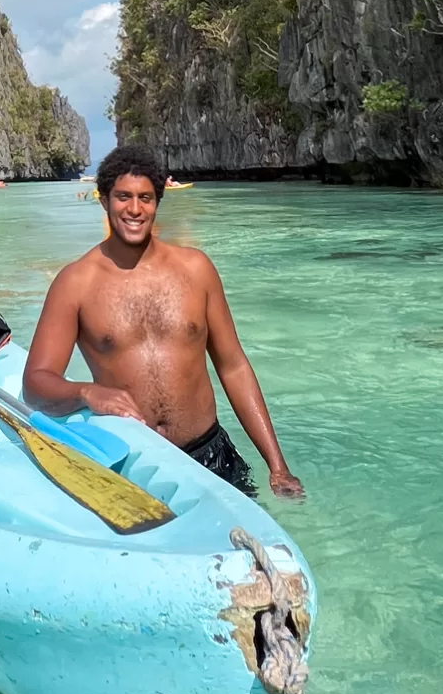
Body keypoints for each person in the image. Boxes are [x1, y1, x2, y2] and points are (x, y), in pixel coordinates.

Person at [22, 144, 304, 499]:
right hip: (134, 463)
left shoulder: (196, 269)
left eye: (146, 198)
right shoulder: (74, 283)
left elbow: (233, 367)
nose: (135, 209)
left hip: (210, 455)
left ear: (158, 202)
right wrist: (86, 392)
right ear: (103, 200)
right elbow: (35, 384)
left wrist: (277, 465)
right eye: (123, 197)